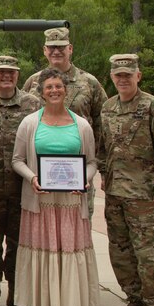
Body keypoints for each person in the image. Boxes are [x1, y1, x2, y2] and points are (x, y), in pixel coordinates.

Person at [11, 68, 99, 306]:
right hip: (41, 201)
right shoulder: (30, 123)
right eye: (49, 87)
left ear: (66, 90)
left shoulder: (82, 126)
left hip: (72, 201)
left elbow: (92, 162)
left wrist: (85, 178)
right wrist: (32, 178)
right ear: (41, 93)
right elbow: (17, 160)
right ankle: (47, 305)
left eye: (58, 86)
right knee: (46, 250)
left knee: (69, 251)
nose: (54, 91)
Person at [100, 53, 154, 306]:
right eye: (118, 75)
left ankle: (153, 305)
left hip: (144, 194)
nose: (123, 79)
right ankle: (133, 299)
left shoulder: (153, 107)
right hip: (115, 192)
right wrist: (103, 174)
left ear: (138, 76)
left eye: (128, 75)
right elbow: (103, 148)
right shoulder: (108, 108)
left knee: (146, 252)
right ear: (112, 77)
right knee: (120, 251)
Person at [21, 27, 108, 218]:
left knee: (77, 225)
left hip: (77, 173)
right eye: (51, 47)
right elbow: (23, 123)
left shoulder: (89, 82)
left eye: (61, 47)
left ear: (70, 49)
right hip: (39, 174)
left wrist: (101, 166)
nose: (56, 51)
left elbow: (103, 124)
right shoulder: (33, 83)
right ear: (44, 50)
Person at [0, 56, 40, 306]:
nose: (6, 76)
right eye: (1, 72)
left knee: (18, 242)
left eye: (11, 72)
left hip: (21, 186)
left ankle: (16, 288)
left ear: (18, 75)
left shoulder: (32, 103)